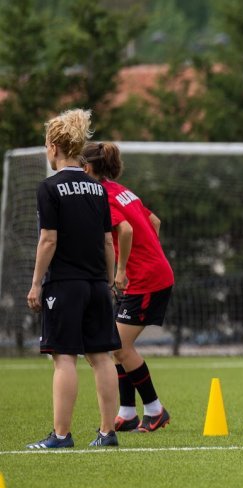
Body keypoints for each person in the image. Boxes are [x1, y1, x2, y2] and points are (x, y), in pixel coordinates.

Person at [25, 109, 121, 449]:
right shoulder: (97, 189)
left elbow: (48, 239)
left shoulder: (49, 187)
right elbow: (109, 240)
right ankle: (108, 433)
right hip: (97, 283)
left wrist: (36, 282)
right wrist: (108, 281)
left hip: (65, 284)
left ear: (53, 147)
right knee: (102, 357)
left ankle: (61, 435)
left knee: (64, 357)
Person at [81, 142, 174, 432]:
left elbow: (127, 229)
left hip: (146, 280)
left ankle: (155, 410)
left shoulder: (103, 196)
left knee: (120, 347)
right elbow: (154, 221)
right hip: (147, 274)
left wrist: (124, 268)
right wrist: (147, 256)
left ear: (87, 168)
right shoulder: (121, 190)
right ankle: (128, 412)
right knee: (115, 344)